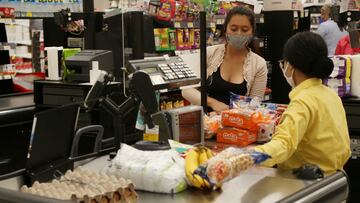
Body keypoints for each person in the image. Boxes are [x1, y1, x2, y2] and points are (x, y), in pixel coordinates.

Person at [255, 32, 351, 173]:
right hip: (335, 178)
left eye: (284, 62)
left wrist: (248, 157)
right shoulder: (331, 94)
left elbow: (283, 144)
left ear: (291, 66)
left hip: (305, 182)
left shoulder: (302, 101)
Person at [181, 6, 267, 113]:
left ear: (252, 32)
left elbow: (255, 103)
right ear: (225, 29)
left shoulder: (259, 64)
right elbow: (186, 90)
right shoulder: (209, 53)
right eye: (234, 29)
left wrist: (227, 115)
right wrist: (213, 103)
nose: (239, 34)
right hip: (204, 123)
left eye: (245, 30)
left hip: (238, 124)